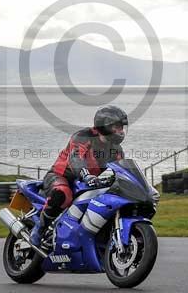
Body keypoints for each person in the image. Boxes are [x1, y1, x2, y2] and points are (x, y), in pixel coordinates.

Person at [30, 105, 128, 247]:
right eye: (117, 127)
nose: (121, 131)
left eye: (122, 127)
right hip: (62, 176)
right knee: (63, 194)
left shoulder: (116, 149)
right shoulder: (83, 136)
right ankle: (40, 228)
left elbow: (122, 168)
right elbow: (76, 158)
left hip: (87, 183)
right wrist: (86, 175)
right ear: (105, 125)